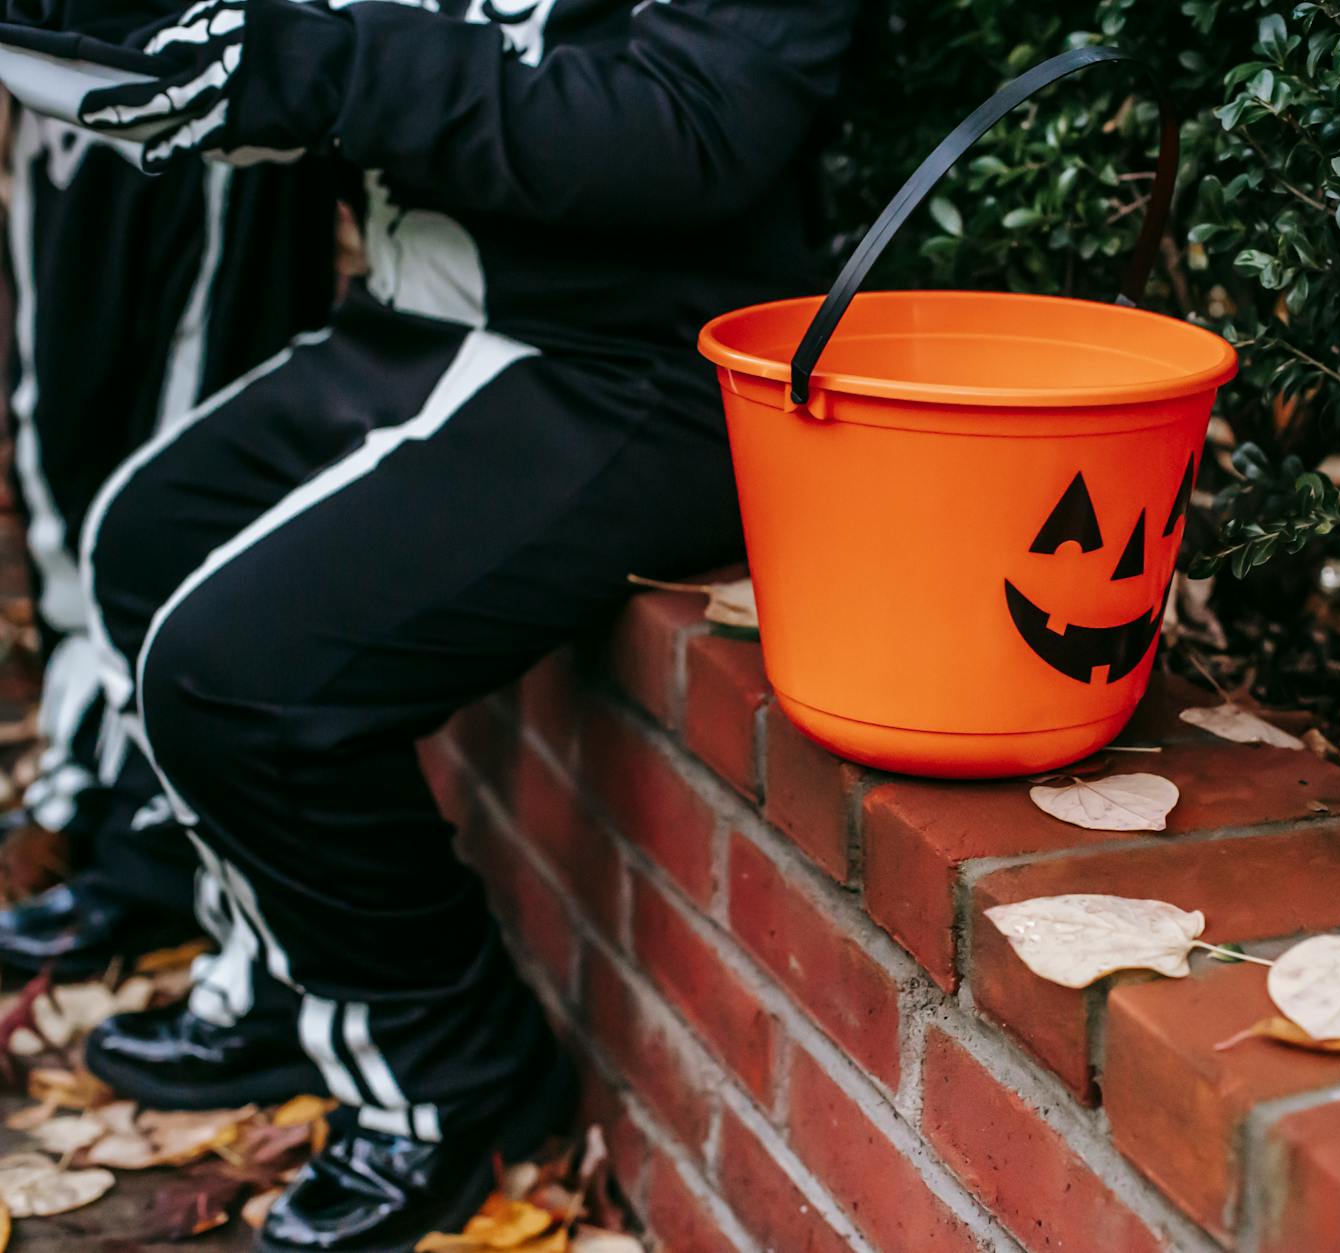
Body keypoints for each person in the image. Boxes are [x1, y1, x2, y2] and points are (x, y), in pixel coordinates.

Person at [0, 0, 859, 1246]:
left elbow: (695, 128)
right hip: (417, 319)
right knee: (145, 534)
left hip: (627, 364)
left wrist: (313, 64)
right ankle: (290, 986)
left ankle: (450, 1079)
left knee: (236, 676)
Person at [0, 63, 338, 975]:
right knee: (62, 410)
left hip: (204, 64)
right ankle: (86, 776)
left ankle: (156, 835)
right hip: (65, 59)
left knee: (177, 440)